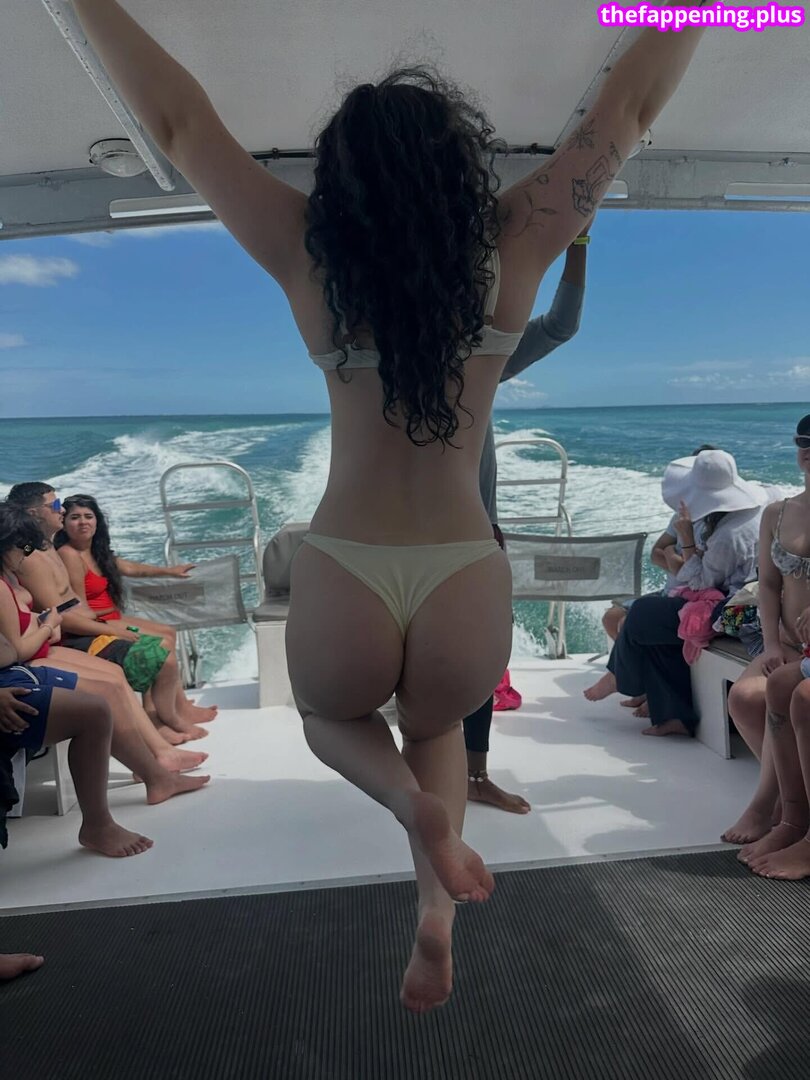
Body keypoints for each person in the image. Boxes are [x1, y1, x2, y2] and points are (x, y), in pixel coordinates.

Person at [68, 0, 707, 1012]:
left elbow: (181, 125)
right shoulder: (518, 237)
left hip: (349, 562)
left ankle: (410, 807)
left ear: (343, 184)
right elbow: (627, 108)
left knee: (332, 714)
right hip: (464, 565)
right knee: (439, 725)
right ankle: (435, 914)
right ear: (458, 170)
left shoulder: (308, 253)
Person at [465, 222, 590, 814]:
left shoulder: (482, 358)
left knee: (484, 657)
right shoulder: (384, 358)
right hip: (407, 533)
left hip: (475, 538)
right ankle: (427, 780)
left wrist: (579, 244)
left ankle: (473, 775)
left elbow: (562, 325)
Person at [0, 502, 210, 806]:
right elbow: (17, 647)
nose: (27, 553)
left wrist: (44, 624)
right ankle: (157, 758)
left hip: (45, 644)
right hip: (39, 652)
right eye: (57, 506)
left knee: (115, 676)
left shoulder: (29, 565)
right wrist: (48, 627)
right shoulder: (42, 563)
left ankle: (161, 751)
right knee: (110, 692)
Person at [584, 450, 767, 737]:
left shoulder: (730, 535)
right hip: (736, 602)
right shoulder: (748, 512)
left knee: (643, 614)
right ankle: (675, 716)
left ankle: (622, 677)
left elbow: (699, 583)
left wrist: (686, 541)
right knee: (656, 624)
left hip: (734, 613)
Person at [722, 416, 810, 868]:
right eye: (803, 442)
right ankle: (785, 805)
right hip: (789, 642)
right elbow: (770, 585)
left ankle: (768, 806)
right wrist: (772, 644)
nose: (809, 449)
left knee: (790, 696)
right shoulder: (776, 513)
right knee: (743, 697)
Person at [54, 492, 217, 732]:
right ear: (64, 523)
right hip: (96, 623)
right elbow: (80, 608)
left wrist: (169, 572)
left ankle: (176, 705)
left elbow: (130, 568)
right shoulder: (69, 554)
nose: (83, 522)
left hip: (111, 616)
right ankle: (157, 714)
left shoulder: (96, 550)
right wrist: (110, 614)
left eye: (88, 516)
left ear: (97, 521)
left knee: (169, 632)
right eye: (75, 517)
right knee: (159, 643)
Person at [0, 608, 153, 858]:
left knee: (105, 693)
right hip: (7, 683)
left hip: (14, 670)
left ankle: (155, 774)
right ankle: (98, 826)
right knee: (93, 712)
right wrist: (47, 627)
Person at [600, 443, 718, 719]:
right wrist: (679, 560)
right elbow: (657, 552)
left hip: (692, 597)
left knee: (629, 622)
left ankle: (635, 685)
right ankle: (645, 688)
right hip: (671, 591)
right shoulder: (682, 514)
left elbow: (698, 575)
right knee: (611, 618)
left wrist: (675, 556)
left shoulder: (716, 521)